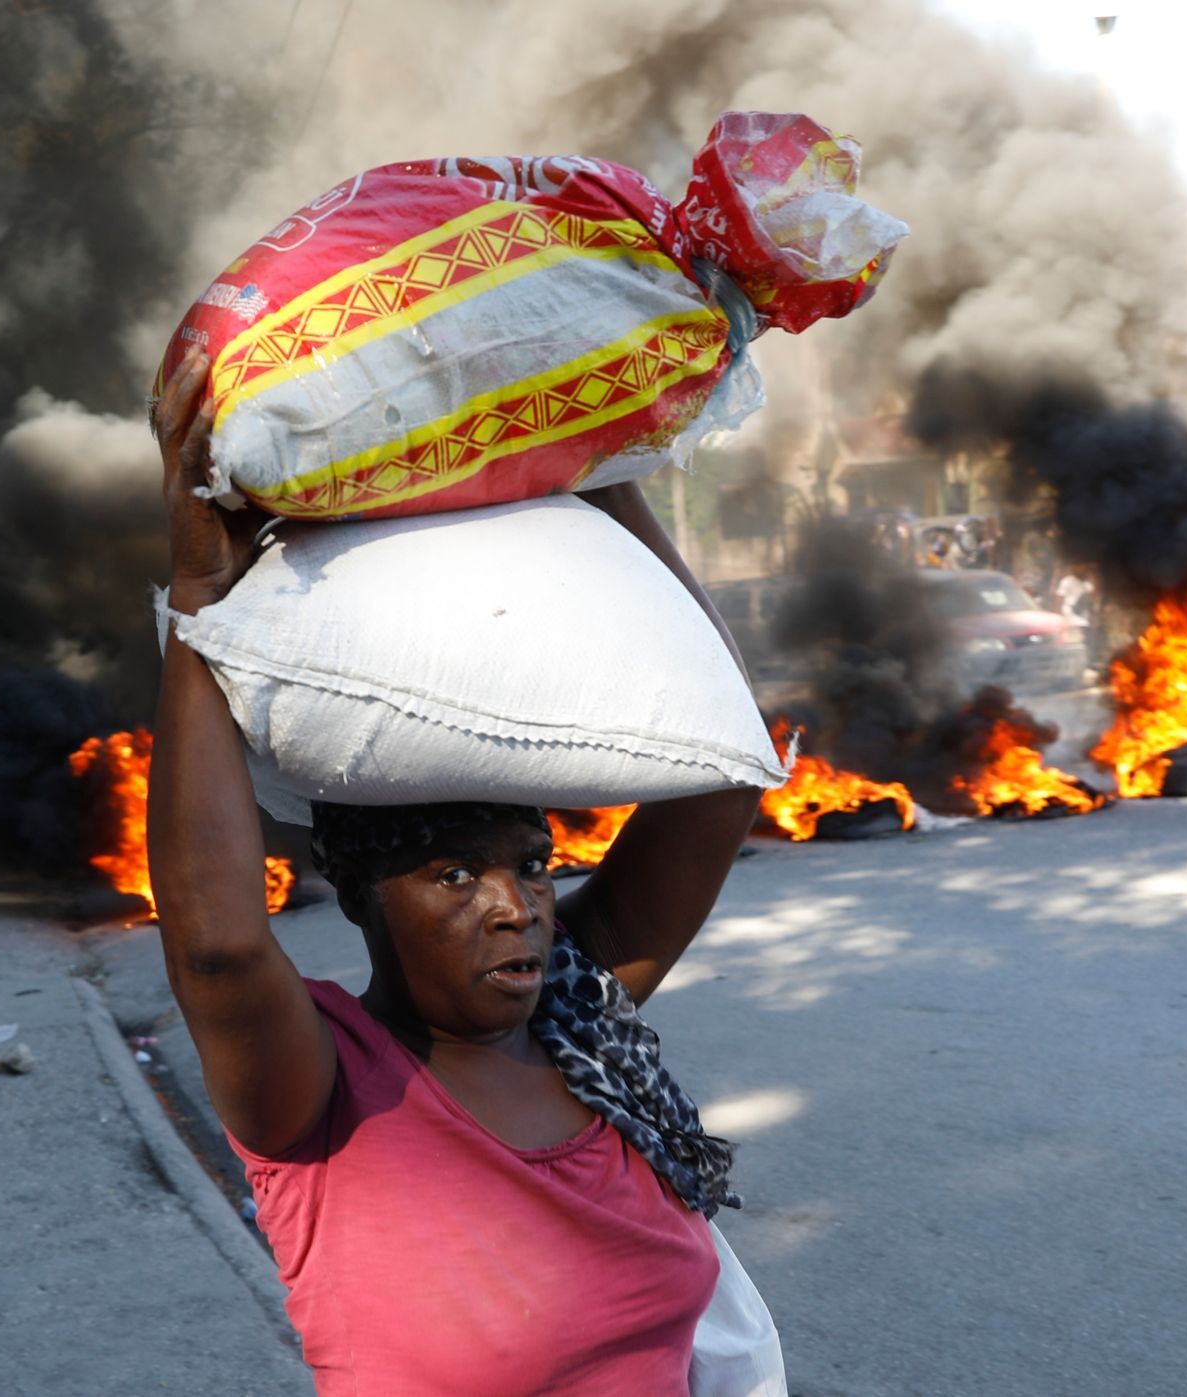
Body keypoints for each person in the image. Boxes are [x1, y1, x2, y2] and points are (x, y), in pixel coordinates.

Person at [147, 349, 770, 1394]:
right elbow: (213, 944)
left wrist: (600, 471)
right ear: (357, 896)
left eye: (530, 864)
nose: (514, 906)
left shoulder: (576, 1014)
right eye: (452, 876)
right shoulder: (322, 1086)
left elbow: (720, 761)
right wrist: (203, 593)